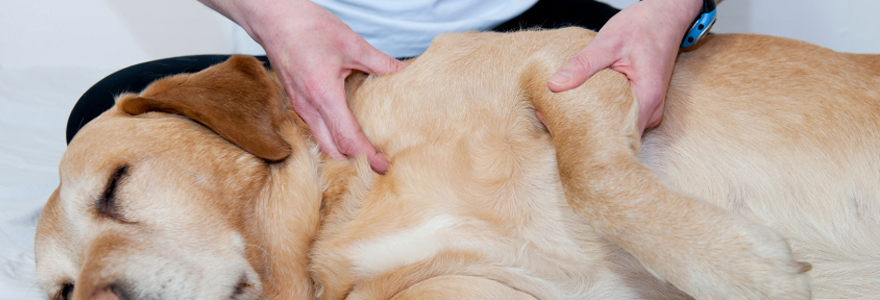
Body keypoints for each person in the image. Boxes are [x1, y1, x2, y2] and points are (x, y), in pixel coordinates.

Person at [67, 0, 718, 174]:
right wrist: (273, 16)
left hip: (535, 27)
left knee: (691, 119)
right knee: (107, 123)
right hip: (326, 48)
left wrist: (670, 7)